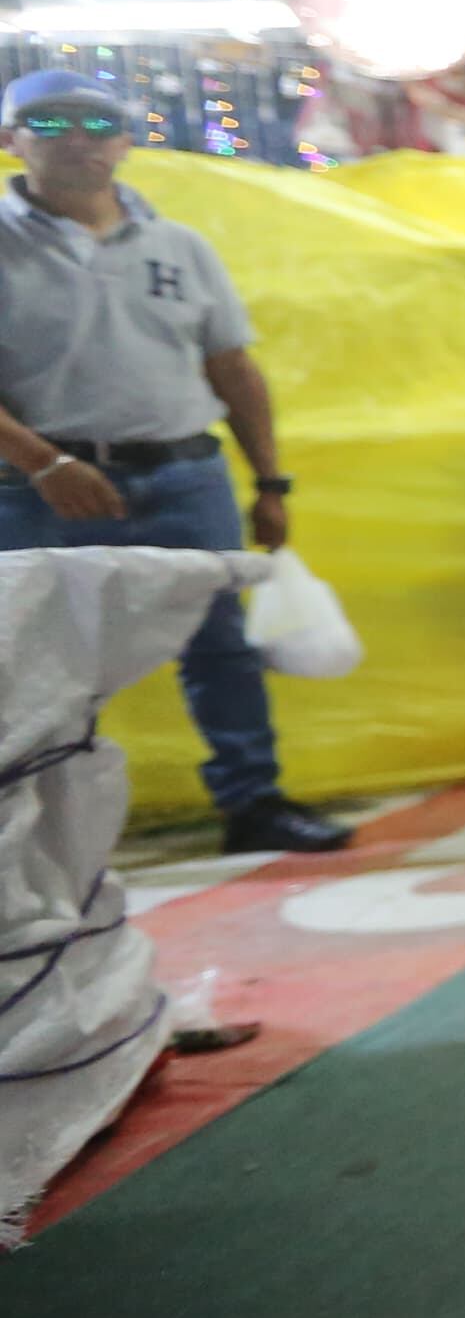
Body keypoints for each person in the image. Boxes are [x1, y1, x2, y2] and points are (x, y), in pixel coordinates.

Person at [0, 68, 346, 855]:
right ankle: (46, 832)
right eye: (49, 122)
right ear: (11, 138)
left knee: (218, 644)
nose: (78, 138)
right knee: (44, 660)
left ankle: (253, 801)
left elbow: (232, 368)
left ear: (126, 140)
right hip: (41, 492)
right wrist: (46, 465)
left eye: (98, 122)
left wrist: (270, 482)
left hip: (185, 476)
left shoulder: (178, 247)